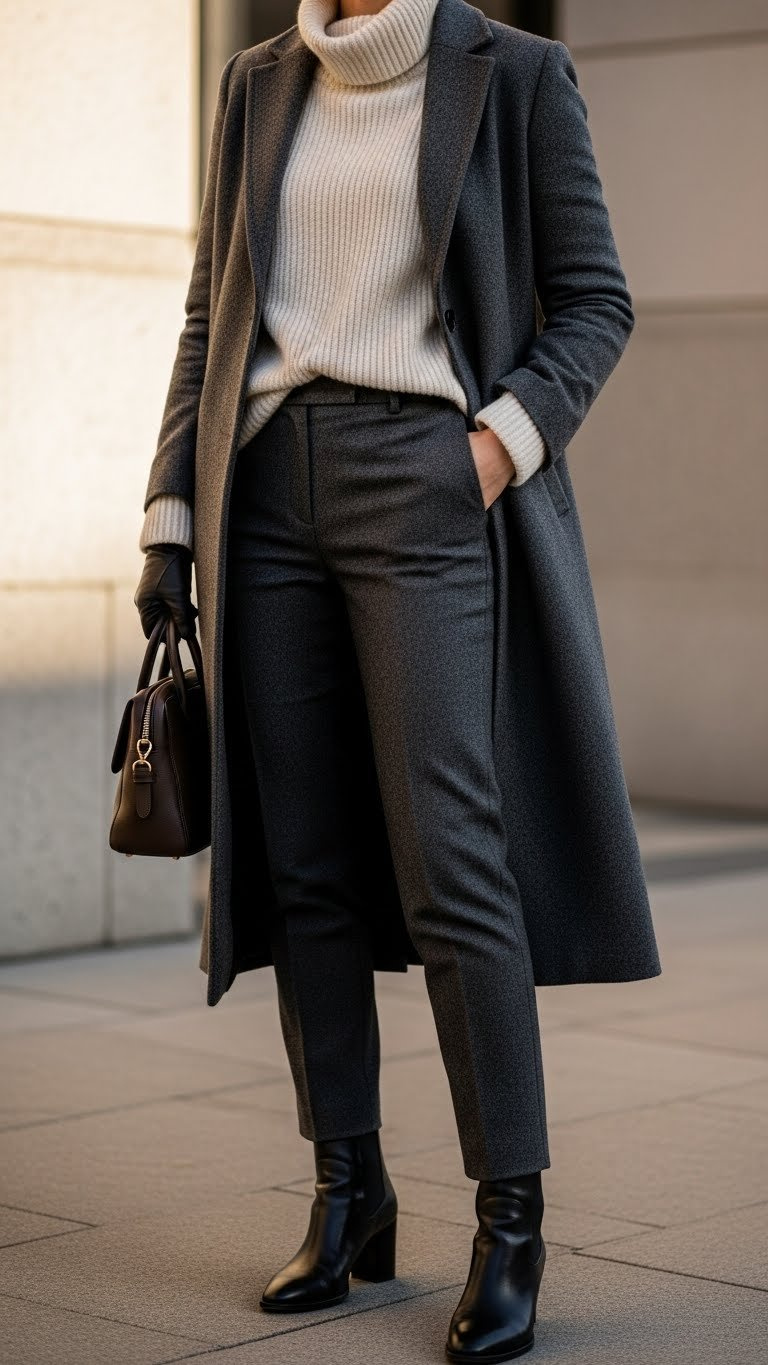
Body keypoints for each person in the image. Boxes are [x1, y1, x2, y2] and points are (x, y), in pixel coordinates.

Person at [133, 1, 662, 1359]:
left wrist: (491, 449)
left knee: (451, 856)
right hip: (263, 491)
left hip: (426, 482)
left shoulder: (517, 74)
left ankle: (510, 1220)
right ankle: (348, 1189)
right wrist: (169, 524)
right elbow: (214, 309)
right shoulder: (260, 82)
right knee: (306, 861)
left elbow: (596, 302)